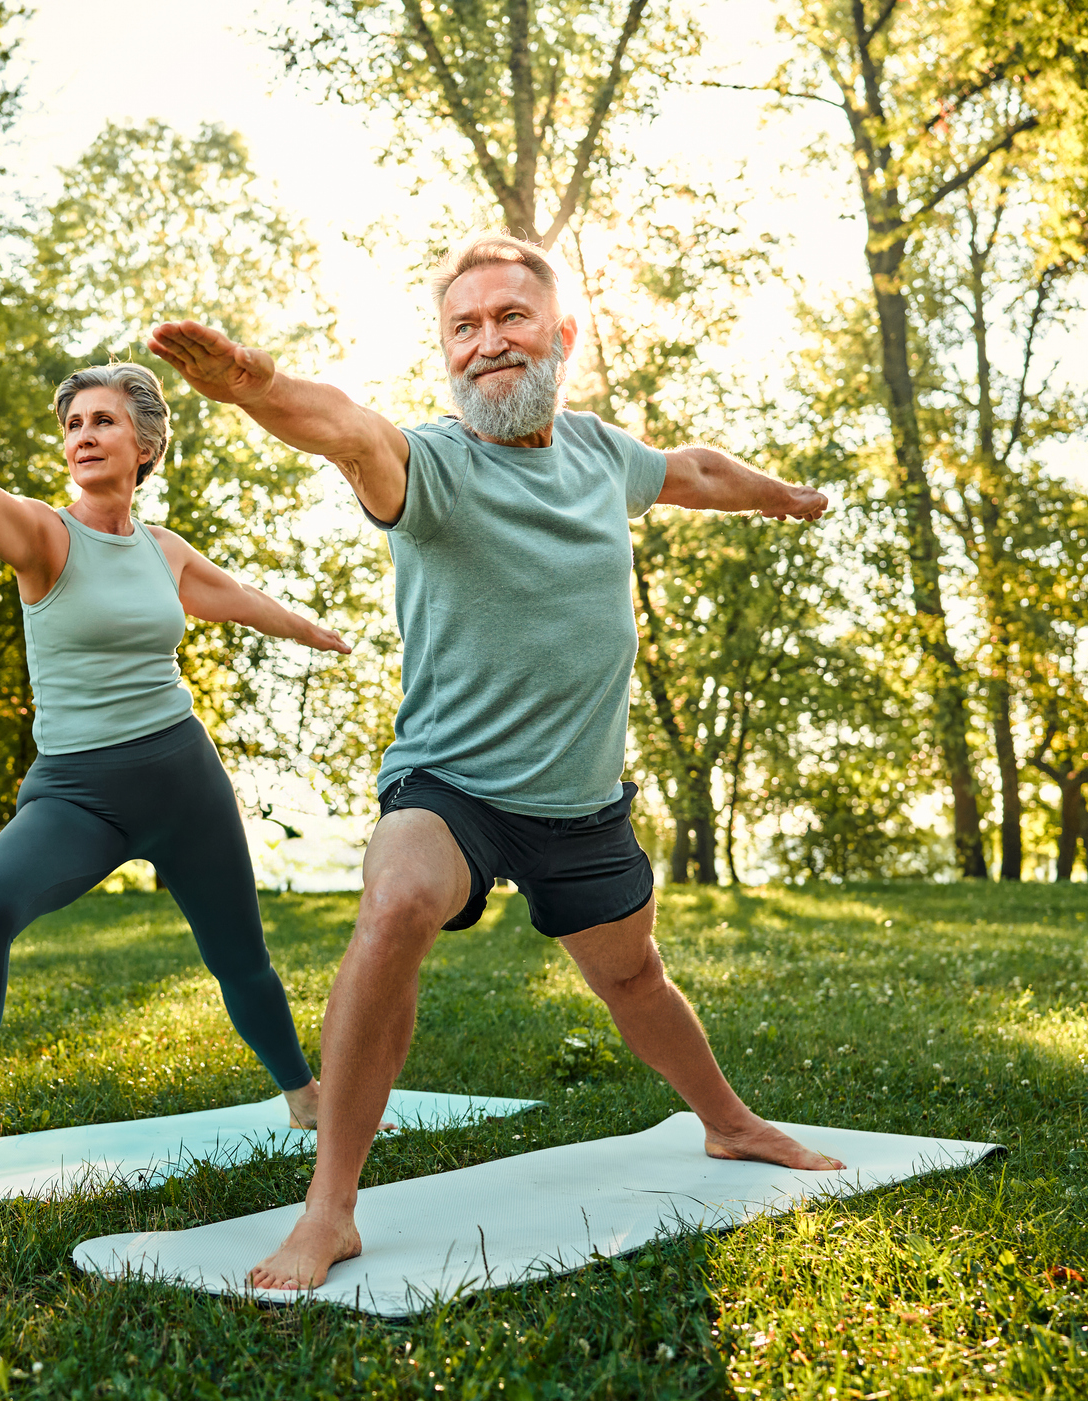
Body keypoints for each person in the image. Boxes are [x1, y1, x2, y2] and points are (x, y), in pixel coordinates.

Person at [146, 231, 846, 1291]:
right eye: (463, 328)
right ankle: (329, 1208)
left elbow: (694, 470)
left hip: (580, 802)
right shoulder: (429, 466)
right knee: (395, 902)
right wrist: (255, 388)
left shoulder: (602, 455)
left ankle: (730, 1124)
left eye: (510, 318)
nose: (487, 344)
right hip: (452, 789)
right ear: (445, 354)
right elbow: (343, 431)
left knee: (633, 977)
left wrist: (777, 494)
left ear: (560, 336)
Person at [0, 363, 351, 1190]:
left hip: (185, 780)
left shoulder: (165, 550)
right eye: (74, 424)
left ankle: (305, 1096)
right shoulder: (45, 537)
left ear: (148, 445)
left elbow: (235, 597)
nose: (83, 435)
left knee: (240, 957)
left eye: (103, 422)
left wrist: (313, 632)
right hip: (81, 794)